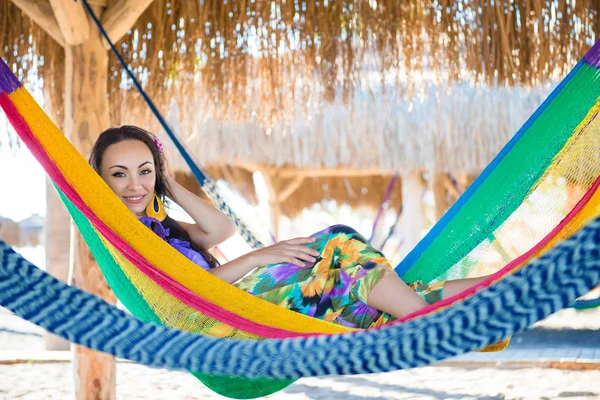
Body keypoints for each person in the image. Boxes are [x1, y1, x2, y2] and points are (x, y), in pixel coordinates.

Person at [89, 125, 489, 329]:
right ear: (101, 181)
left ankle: (503, 286)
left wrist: (166, 182)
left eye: (143, 172)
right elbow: (192, 287)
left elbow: (220, 229)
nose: (135, 185)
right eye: (120, 174)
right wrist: (261, 255)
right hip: (225, 318)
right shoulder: (127, 238)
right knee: (341, 247)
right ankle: (423, 325)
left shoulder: (156, 224)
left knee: (358, 276)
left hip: (241, 301)